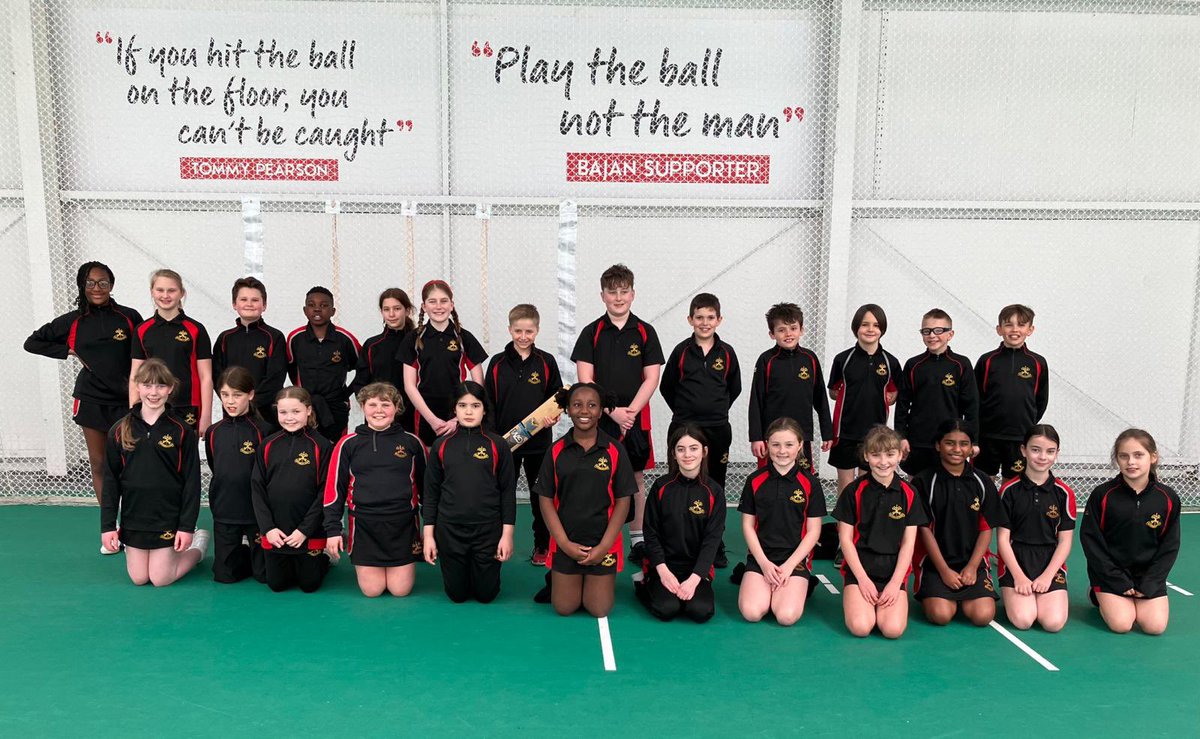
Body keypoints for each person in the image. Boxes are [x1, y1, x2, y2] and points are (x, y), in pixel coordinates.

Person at [24, 261, 142, 529]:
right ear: (82, 286)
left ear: (111, 285)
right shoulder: (73, 320)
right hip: (91, 400)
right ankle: (111, 527)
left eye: (103, 282)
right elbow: (32, 342)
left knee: (131, 464)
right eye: (90, 283)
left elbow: (146, 350)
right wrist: (69, 351)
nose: (97, 288)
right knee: (100, 464)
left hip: (126, 402)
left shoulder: (129, 317)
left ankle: (137, 522)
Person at [572, 264, 664, 564]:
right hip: (601, 417)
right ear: (602, 296)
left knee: (636, 477)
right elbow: (585, 380)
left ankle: (638, 539)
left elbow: (652, 377)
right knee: (598, 475)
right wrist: (611, 411)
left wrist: (631, 413)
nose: (618, 297)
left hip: (636, 419)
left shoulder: (645, 332)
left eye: (624, 291)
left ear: (633, 294)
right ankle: (598, 537)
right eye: (612, 292)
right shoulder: (591, 332)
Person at [100, 358, 209, 585]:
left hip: (168, 517)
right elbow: (111, 481)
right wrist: (108, 526)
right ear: (137, 387)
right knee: (139, 578)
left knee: (160, 578)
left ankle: (199, 545)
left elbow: (191, 482)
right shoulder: (119, 430)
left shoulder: (182, 430)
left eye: (160, 386)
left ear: (170, 389)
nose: (153, 392)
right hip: (134, 518)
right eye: (147, 385)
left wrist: (186, 527)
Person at [535, 383, 635, 617]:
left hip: (603, 543)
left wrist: (603, 547)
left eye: (592, 405)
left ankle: (589, 578)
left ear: (601, 411)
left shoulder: (615, 450)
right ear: (567, 409)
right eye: (577, 405)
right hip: (566, 542)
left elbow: (623, 500)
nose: (584, 411)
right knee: (564, 607)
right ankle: (564, 578)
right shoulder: (555, 450)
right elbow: (546, 499)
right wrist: (564, 543)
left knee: (598, 609)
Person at [659, 292, 740, 568]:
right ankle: (676, 542)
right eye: (699, 318)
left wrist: (714, 410)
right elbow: (666, 387)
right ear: (690, 320)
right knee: (677, 483)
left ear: (719, 320)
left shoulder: (727, 353)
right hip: (683, 425)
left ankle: (715, 544)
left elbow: (734, 388)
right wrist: (686, 413)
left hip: (717, 428)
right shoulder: (681, 352)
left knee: (715, 483)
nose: (705, 323)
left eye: (710, 318)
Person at [324, 382, 426, 597]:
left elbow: (428, 490)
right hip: (364, 525)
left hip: (403, 524)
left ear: (396, 408)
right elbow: (334, 490)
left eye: (385, 404)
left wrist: (431, 529)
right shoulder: (347, 444)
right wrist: (333, 531)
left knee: (400, 591)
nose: (379, 410)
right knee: (372, 591)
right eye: (372, 404)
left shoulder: (412, 442)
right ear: (362, 407)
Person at [484, 304, 563, 565]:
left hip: (538, 444)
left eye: (529, 331)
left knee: (539, 494)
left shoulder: (546, 362)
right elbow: (489, 403)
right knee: (500, 493)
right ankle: (496, 542)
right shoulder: (496, 363)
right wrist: (494, 438)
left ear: (537, 331)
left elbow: (558, 397)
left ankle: (541, 544)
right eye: (518, 330)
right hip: (505, 443)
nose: (523, 336)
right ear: (509, 330)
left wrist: (554, 416)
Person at [423, 382, 517, 603]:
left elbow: (507, 492)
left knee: (486, 595)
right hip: (450, 532)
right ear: (454, 410)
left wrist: (507, 535)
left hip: (487, 531)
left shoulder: (498, 445)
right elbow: (431, 493)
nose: (468, 411)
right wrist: (429, 537)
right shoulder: (441, 445)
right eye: (462, 405)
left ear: (484, 409)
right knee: (457, 595)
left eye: (475, 405)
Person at [1081, 429, 1180, 635]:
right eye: (1123, 456)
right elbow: (1091, 542)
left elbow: (1169, 547)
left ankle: (1134, 595)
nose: (1131, 462)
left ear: (1153, 457)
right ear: (1117, 459)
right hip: (1111, 574)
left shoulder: (1168, 498)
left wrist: (1151, 582)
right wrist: (1116, 579)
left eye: (1138, 455)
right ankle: (1096, 593)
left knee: (1155, 627)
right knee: (1122, 624)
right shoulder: (1102, 495)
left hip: (1147, 576)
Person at [834, 425, 928, 638]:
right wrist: (862, 580)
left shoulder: (909, 493)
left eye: (890, 454)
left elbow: (908, 544)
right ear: (866, 456)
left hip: (892, 572)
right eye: (876, 455)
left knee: (892, 630)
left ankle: (888, 598)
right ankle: (857, 598)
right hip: (861, 570)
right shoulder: (853, 491)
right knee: (861, 627)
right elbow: (846, 540)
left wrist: (895, 583)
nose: (883, 461)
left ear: (900, 456)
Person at [911, 420, 1006, 626]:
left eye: (964, 444)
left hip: (972, 563)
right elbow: (924, 531)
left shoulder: (982, 481)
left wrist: (972, 567)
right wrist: (944, 570)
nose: (957, 449)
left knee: (983, 616)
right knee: (941, 616)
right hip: (936, 565)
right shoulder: (924, 481)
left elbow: (986, 528)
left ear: (972, 448)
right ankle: (938, 593)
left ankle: (968, 593)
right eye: (949, 443)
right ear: (938, 445)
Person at [737, 417, 824, 626]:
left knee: (785, 616)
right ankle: (758, 581)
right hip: (762, 558)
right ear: (767, 446)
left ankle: (802, 583)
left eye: (789, 444)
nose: (782, 451)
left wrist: (788, 567)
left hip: (795, 561)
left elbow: (813, 532)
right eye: (775, 444)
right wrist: (764, 564)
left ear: (800, 446)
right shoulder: (755, 480)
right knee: (752, 612)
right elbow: (748, 526)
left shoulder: (811, 483)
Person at [638, 425, 726, 623]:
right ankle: (643, 584)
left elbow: (712, 540)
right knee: (667, 609)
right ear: (673, 454)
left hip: (695, 569)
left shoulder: (714, 492)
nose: (687, 454)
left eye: (693, 448)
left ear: (704, 452)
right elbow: (650, 532)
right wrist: (662, 571)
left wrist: (695, 579)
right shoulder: (661, 487)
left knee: (700, 611)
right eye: (681, 449)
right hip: (664, 566)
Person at [251, 387, 333, 593]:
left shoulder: (322, 445)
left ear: (308, 410)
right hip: (275, 532)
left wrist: (304, 530)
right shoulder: (268, 444)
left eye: (296, 412)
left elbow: (325, 492)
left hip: (308, 531)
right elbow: (257, 488)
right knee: (277, 585)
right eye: (283, 412)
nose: (289, 418)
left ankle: (324, 558)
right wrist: (268, 528)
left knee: (309, 585)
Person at [996, 424, 1075, 632]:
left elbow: (1065, 541)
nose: (1042, 457)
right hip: (1017, 560)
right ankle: (1016, 595)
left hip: (1049, 562)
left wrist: (1048, 576)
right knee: (1024, 620)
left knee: (1053, 623)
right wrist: (1019, 576)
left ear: (1057, 453)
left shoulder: (1064, 493)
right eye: (1035, 449)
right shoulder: (1008, 491)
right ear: (1024, 450)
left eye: (1050, 451)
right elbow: (1003, 540)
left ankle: (1042, 594)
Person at [747, 302, 832, 473]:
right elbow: (756, 401)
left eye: (793, 328)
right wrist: (756, 438)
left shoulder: (810, 359)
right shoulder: (766, 360)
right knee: (769, 480)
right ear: (772, 334)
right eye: (781, 329)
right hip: (771, 437)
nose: (788, 334)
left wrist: (827, 432)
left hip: (802, 436)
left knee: (803, 481)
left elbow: (820, 398)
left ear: (801, 330)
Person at [400, 280, 488, 446]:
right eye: (432, 301)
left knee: (456, 463)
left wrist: (458, 418)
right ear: (424, 306)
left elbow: (479, 385)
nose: (438, 306)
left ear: (452, 304)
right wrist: (432, 420)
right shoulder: (412, 339)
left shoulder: (464, 337)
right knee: (427, 464)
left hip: (458, 413)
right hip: (425, 414)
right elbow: (409, 386)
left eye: (444, 301)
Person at [204, 367, 271, 583]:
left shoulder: (264, 430)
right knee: (224, 576)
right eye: (225, 395)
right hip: (226, 510)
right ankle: (241, 548)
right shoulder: (213, 431)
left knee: (264, 576)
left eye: (237, 395)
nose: (230, 401)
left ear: (250, 395)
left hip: (256, 513)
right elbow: (216, 467)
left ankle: (251, 549)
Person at [827, 303, 901, 492]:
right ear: (856, 328)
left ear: (882, 329)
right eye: (865, 324)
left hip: (875, 435)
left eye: (876, 325)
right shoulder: (843, 359)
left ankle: (865, 522)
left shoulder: (890, 362)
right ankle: (845, 522)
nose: (870, 329)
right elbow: (833, 392)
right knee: (846, 487)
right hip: (845, 433)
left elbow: (892, 395)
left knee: (868, 487)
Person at [895, 308, 978, 476]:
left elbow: (972, 407)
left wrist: (973, 441)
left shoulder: (961, 365)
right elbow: (902, 404)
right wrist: (901, 437)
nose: (932, 335)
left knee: (947, 484)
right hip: (918, 440)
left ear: (950, 334)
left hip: (949, 441)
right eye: (927, 331)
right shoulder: (913, 365)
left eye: (938, 330)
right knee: (917, 486)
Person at [129, 269, 213, 433]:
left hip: (187, 405)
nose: (165, 295)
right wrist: (133, 411)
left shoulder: (196, 329)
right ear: (152, 292)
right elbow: (135, 375)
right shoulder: (142, 330)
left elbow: (206, 377)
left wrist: (206, 416)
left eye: (171, 290)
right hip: (152, 404)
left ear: (181, 293)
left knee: (186, 456)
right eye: (160, 290)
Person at [974, 304, 1049, 479]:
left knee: (1014, 484)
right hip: (988, 436)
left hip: (1019, 437)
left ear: (1030, 330)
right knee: (984, 483)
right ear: (999, 329)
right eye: (1008, 325)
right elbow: (975, 398)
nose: (1014, 330)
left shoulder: (1038, 363)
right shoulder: (987, 361)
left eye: (1021, 325)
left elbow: (1041, 400)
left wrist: (1026, 424)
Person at [286, 286, 361, 442]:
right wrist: (302, 393)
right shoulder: (295, 338)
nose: (317, 309)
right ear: (305, 310)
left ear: (333, 311)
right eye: (312, 305)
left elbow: (363, 369)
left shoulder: (345, 339)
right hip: (306, 405)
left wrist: (346, 393)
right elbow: (291, 368)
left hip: (335, 406)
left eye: (324, 305)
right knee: (306, 448)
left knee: (335, 447)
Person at [211, 277, 287, 431]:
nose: (249, 304)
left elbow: (275, 378)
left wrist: (251, 403)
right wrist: (234, 401)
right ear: (234, 304)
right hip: (233, 413)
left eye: (255, 300)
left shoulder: (275, 337)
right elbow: (217, 376)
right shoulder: (225, 338)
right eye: (243, 299)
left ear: (264, 305)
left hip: (265, 416)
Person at [350, 288, 417, 433]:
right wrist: (375, 409)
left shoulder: (420, 343)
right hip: (379, 419)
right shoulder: (372, 345)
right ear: (382, 312)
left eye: (397, 309)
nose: (391, 314)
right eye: (387, 309)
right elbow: (360, 383)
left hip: (413, 418)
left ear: (407, 310)